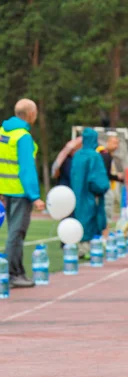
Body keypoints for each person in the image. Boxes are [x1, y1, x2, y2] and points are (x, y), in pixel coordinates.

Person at [0, 98, 45, 288]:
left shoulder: (3, 132)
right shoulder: (23, 137)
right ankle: (14, 274)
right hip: (19, 192)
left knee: (12, 232)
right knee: (16, 234)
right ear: (31, 115)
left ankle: (14, 272)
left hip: (5, 190)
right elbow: (27, 169)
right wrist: (35, 197)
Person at [70, 128, 110, 258]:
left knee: (80, 217)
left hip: (77, 193)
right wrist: (101, 188)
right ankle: (90, 248)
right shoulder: (94, 156)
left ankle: (81, 246)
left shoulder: (77, 155)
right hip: (91, 194)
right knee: (92, 219)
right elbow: (98, 179)